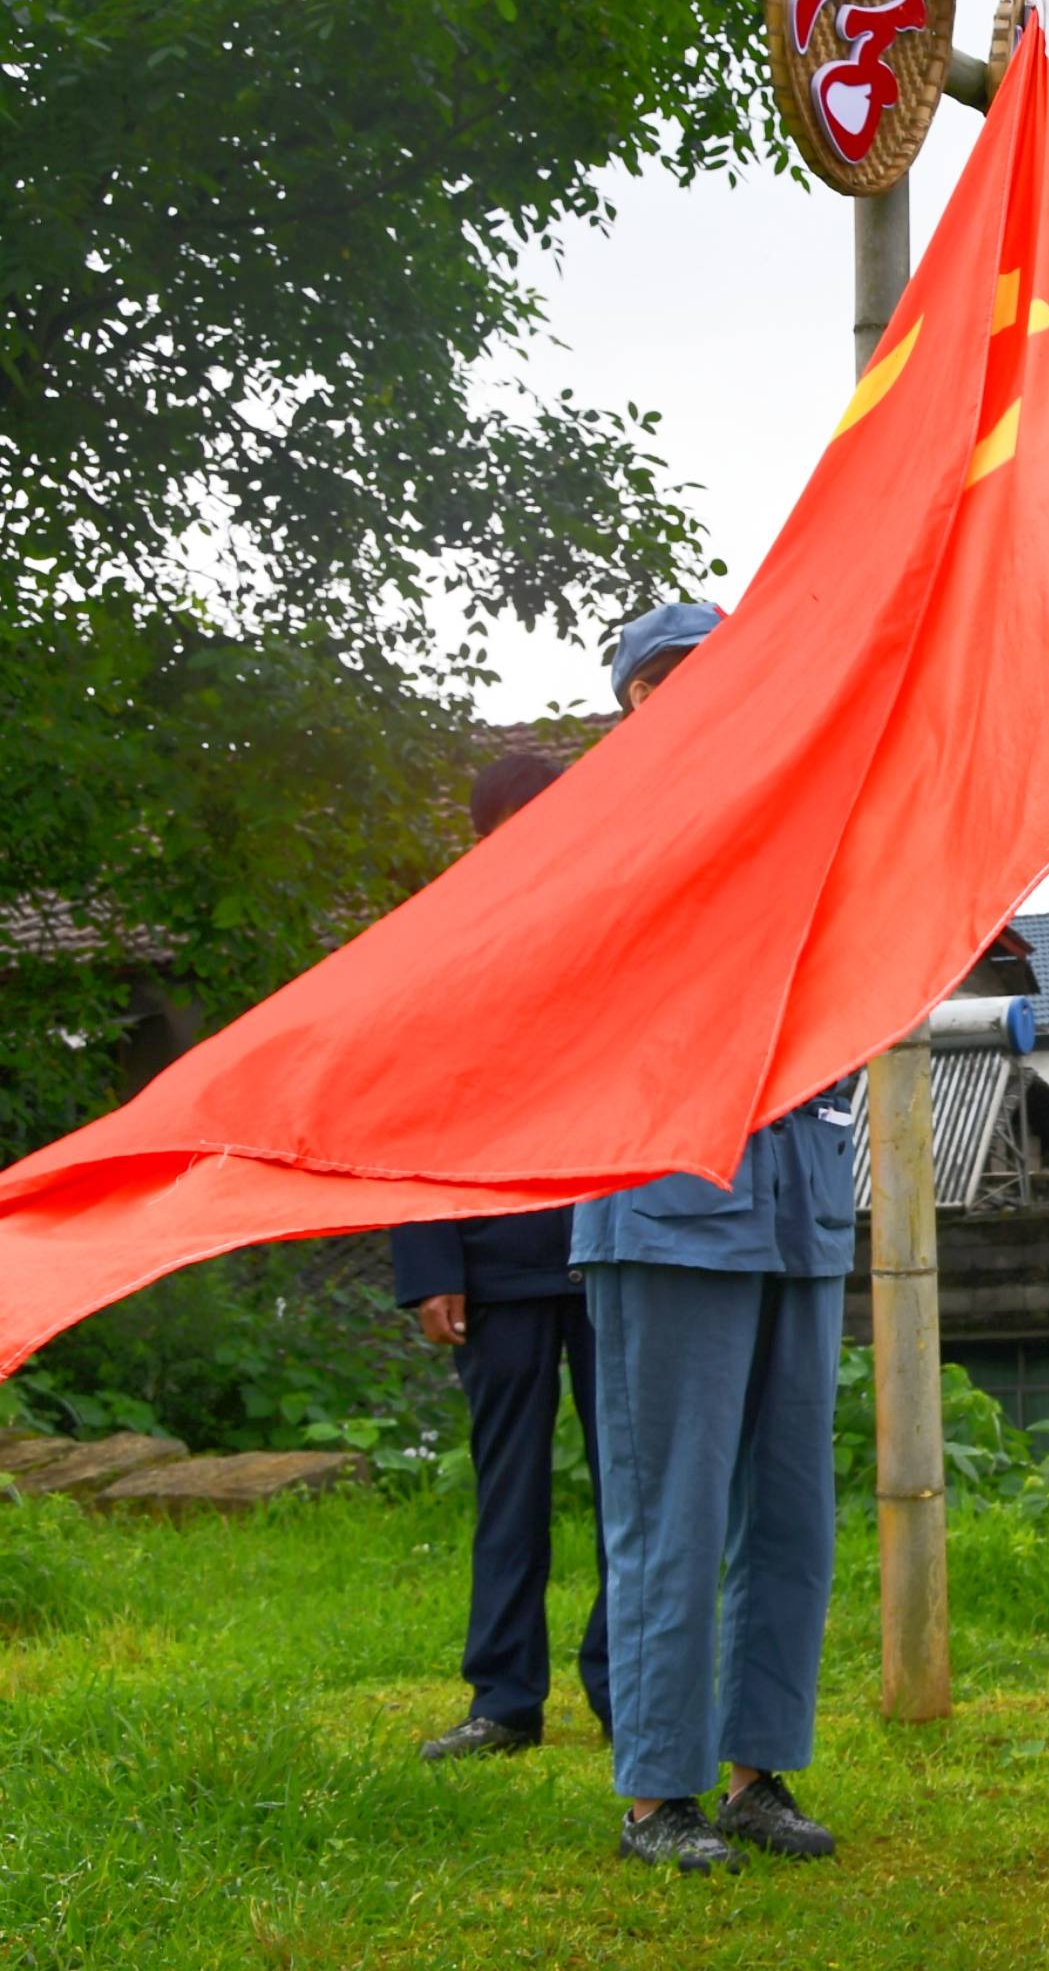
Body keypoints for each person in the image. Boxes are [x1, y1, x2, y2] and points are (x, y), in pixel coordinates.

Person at [570, 600, 855, 1876]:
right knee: (669, 1509)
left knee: (792, 1507)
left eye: (713, 671)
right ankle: (654, 1794)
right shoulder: (599, 832)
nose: (690, 693)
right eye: (664, 679)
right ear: (629, 701)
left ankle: (756, 1774)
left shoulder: (803, 816)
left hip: (798, 1197)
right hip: (667, 1198)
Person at [394, 751, 610, 1763]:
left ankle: (632, 1685)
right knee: (508, 1491)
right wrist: (430, 1259)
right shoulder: (444, 947)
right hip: (493, 1267)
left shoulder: (625, 923)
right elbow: (411, 1106)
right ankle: (504, 1697)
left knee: (638, 1490)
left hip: (621, 1249)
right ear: (484, 834)